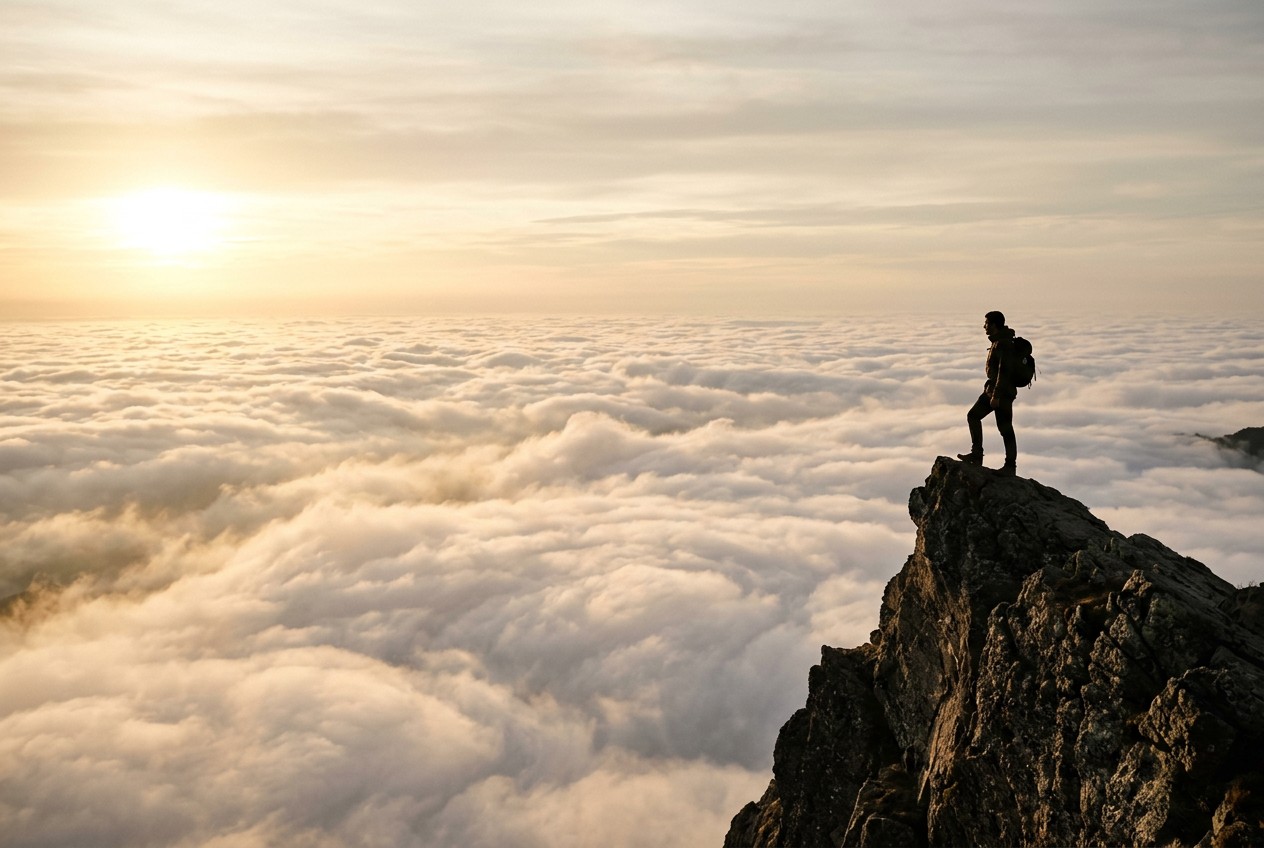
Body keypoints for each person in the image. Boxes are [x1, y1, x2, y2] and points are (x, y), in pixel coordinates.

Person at [958, 310, 1019, 476]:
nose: (984, 326)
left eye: (986, 323)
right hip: (992, 390)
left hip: (1001, 393)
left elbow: (1003, 373)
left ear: (994, 325)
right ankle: (977, 455)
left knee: (1005, 428)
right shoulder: (998, 341)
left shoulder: (1003, 344)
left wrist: (996, 396)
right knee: (973, 416)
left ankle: (1010, 467)